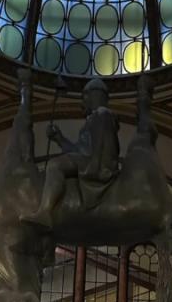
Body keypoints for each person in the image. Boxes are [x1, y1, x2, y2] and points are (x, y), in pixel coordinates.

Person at [20, 77, 120, 228]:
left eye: (85, 97)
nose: (82, 103)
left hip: (95, 164)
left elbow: (101, 147)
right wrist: (59, 138)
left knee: (55, 165)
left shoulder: (102, 114)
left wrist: (94, 168)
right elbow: (80, 150)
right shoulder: (98, 117)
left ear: (94, 95)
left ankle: (45, 213)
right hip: (88, 160)